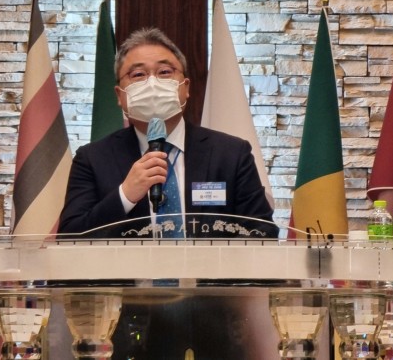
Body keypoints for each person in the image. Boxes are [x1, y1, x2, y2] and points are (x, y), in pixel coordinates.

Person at [58, 27, 277, 238]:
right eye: (138, 74)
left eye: (164, 72)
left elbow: (263, 234)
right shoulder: (92, 159)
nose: (152, 83)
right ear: (119, 95)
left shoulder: (231, 154)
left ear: (186, 87)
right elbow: (69, 238)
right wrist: (125, 195)